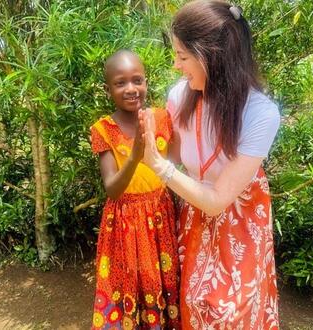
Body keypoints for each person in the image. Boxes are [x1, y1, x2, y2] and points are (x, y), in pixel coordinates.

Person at [139, 1, 281, 329]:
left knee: (233, 311)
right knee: (191, 302)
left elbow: (217, 200)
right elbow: (174, 159)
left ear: (214, 56)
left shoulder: (260, 114)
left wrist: (159, 166)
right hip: (193, 215)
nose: (176, 65)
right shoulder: (179, 97)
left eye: (183, 57)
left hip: (241, 219)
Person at [89, 49, 180, 329]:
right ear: (108, 89)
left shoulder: (162, 119)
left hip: (160, 216)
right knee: (128, 280)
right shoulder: (104, 129)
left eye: (137, 80)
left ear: (146, 82)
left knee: (160, 280)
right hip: (124, 223)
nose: (131, 89)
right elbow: (112, 189)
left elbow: (174, 167)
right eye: (120, 83)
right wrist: (135, 154)